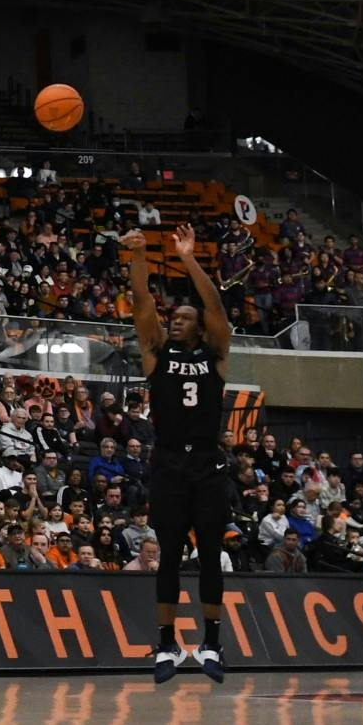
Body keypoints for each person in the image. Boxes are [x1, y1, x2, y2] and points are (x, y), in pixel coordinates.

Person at [124, 224, 233, 683]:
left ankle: (212, 642)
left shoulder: (217, 354)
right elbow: (143, 301)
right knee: (168, 553)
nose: (177, 320)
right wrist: (141, 256)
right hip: (168, 461)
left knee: (209, 552)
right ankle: (166, 644)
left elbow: (216, 306)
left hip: (208, 462)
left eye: (185, 317)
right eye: (176, 318)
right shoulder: (156, 353)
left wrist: (188, 257)